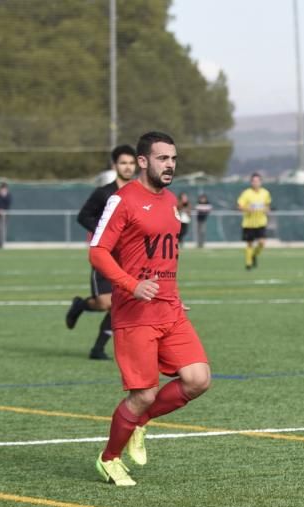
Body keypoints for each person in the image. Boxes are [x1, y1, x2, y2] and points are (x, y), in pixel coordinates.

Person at [88, 131, 211, 487]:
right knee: (142, 394)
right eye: (162, 158)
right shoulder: (122, 200)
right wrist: (131, 285)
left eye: (173, 158)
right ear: (143, 161)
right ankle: (109, 458)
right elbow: (97, 251)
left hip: (169, 309)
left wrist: (173, 293)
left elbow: (165, 256)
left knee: (198, 379)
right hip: (134, 313)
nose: (170, 165)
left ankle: (140, 422)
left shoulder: (171, 199)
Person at [66, 144, 138, 360]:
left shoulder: (139, 192)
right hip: (105, 255)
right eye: (123, 163)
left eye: (131, 163)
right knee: (106, 302)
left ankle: (98, 348)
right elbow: (83, 216)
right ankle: (81, 304)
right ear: (115, 165)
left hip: (130, 258)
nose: (127, 167)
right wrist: (105, 230)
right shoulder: (104, 193)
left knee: (121, 303)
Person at [237, 172, 271, 270]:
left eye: (257, 181)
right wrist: (247, 209)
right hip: (249, 223)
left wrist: (267, 209)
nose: (255, 183)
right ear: (251, 182)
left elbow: (268, 205)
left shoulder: (265, 193)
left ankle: (253, 255)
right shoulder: (246, 193)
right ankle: (248, 264)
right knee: (249, 243)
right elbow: (239, 206)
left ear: (261, 182)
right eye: (254, 181)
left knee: (262, 243)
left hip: (261, 222)